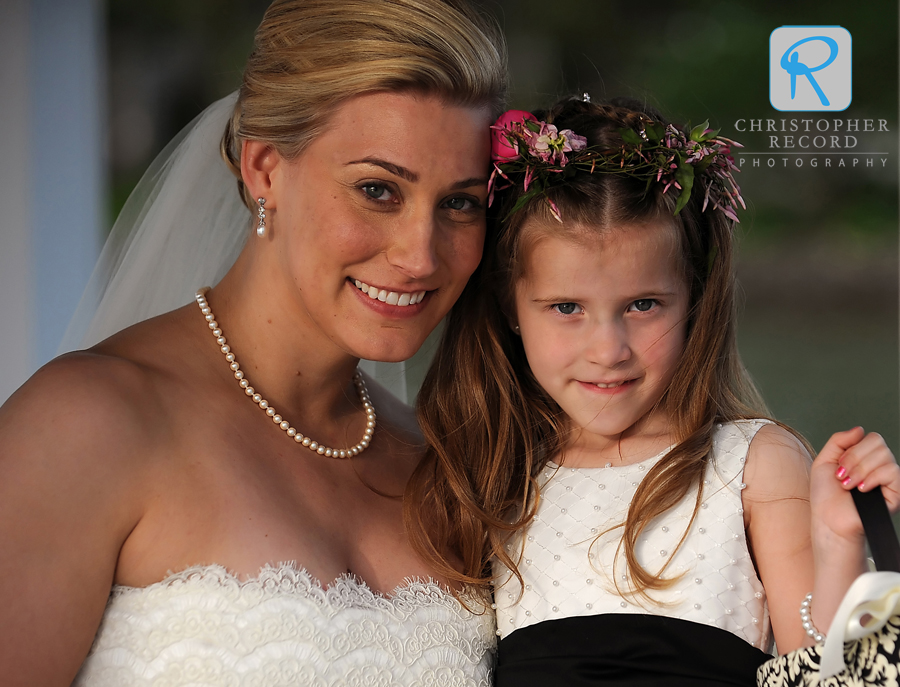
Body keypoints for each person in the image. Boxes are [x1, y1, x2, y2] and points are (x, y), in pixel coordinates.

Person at [0, 1, 507, 684]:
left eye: (461, 202)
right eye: (377, 189)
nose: (421, 255)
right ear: (264, 168)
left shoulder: (441, 470)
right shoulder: (88, 424)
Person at [405, 96, 900, 685]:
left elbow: (826, 674)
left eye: (643, 305)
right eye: (566, 308)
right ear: (511, 306)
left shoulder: (751, 465)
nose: (609, 350)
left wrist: (838, 542)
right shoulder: (491, 474)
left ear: (692, 298)